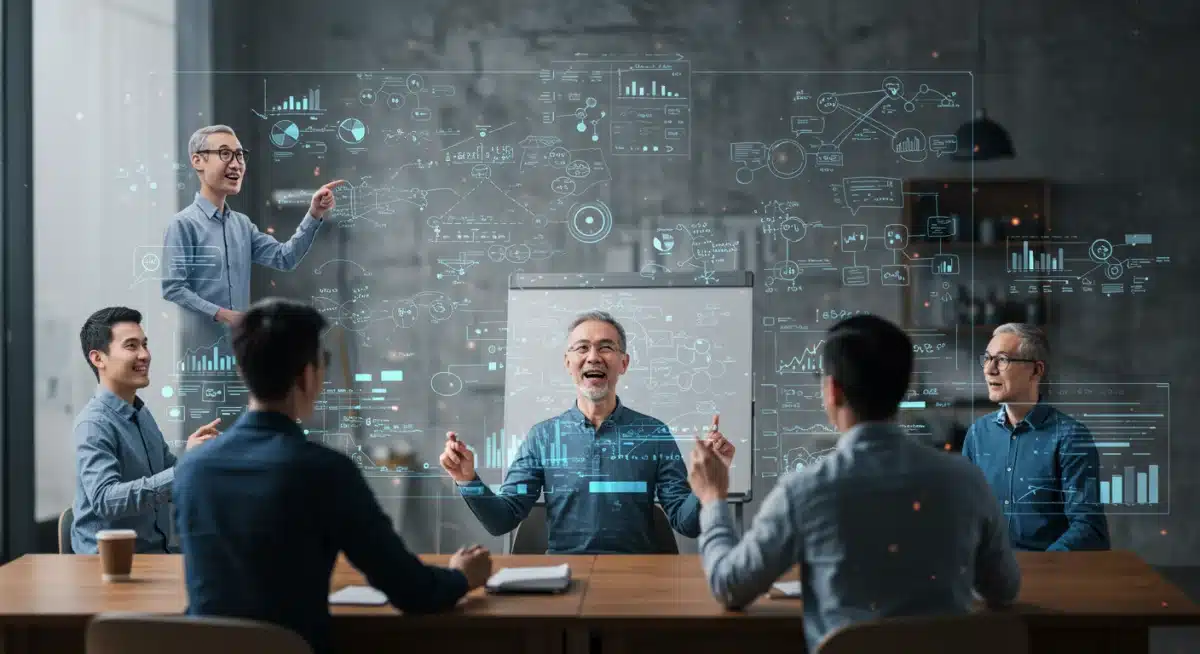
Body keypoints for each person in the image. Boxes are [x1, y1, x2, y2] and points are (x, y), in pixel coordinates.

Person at [173, 298, 490, 654]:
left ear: (244, 372)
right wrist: (463, 576)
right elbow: (411, 591)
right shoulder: (323, 471)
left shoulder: (191, 468)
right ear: (308, 375)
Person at [689, 314, 1020, 651]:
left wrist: (713, 497)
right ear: (903, 387)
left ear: (832, 390)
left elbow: (729, 585)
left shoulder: (804, 492)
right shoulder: (966, 481)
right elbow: (1004, 589)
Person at [440, 310, 735, 554]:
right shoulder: (543, 437)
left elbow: (688, 525)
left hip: (639, 579)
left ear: (623, 363)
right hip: (564, 578)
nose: (593, 356)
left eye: (606, 347)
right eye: (582, 347)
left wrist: (712, 477)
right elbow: (501, 519)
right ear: (568, 363)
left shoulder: (653, 433)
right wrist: (467, 480)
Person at [161, 124, 345, 327]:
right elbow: (174, 288)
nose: (236, 164)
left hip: (241, 346)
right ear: (197, 161)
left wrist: (314, 213)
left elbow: (285, 258)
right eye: (225, 154)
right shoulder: (183, 225)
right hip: (200, 348)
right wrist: (224, 315)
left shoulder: (242, 225)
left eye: (240, 156)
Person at [71, 307, 220, 554]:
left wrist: (197, 459)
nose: (145, 355)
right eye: (131, 346)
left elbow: (170, 479)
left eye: (145, 344)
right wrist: (182, 470)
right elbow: (105, 500)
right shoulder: (93, 424)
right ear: (98, 359)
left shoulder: (141, 414)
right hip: (111, 567)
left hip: (156, 555)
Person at [963, 323, 1110, 551]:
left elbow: (1089, 528)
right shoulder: (977, 434)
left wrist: (1039, 568)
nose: (989, 369)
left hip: (1048, 575)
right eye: (987, 358)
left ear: (1036, 370)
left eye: (1002, 360)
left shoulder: (1069, 438)